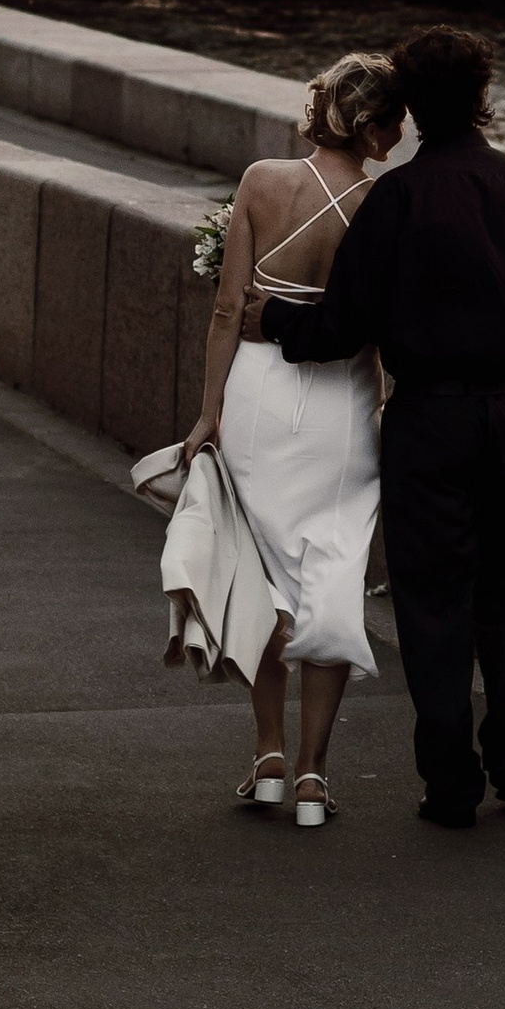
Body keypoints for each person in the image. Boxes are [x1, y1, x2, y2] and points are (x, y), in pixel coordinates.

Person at [267, 24, 505, 827]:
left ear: (408, 109)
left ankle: (452, 781)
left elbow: (342, 324)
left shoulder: (399, 199)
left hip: (432, 418)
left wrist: (273, 320)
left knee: (434, 597)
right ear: (483, 98)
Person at [180, 54, 404, 828]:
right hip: (342, 401)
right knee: (329, 576)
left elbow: (225, 308)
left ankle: (268, 755)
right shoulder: (383, 202)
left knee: (263, 573)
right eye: (393, 120)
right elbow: (380, 331)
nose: (402, 133)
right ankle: (313, 777)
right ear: (368, 126)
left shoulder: (260, 181)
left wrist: (208, 414)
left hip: (256, 393)